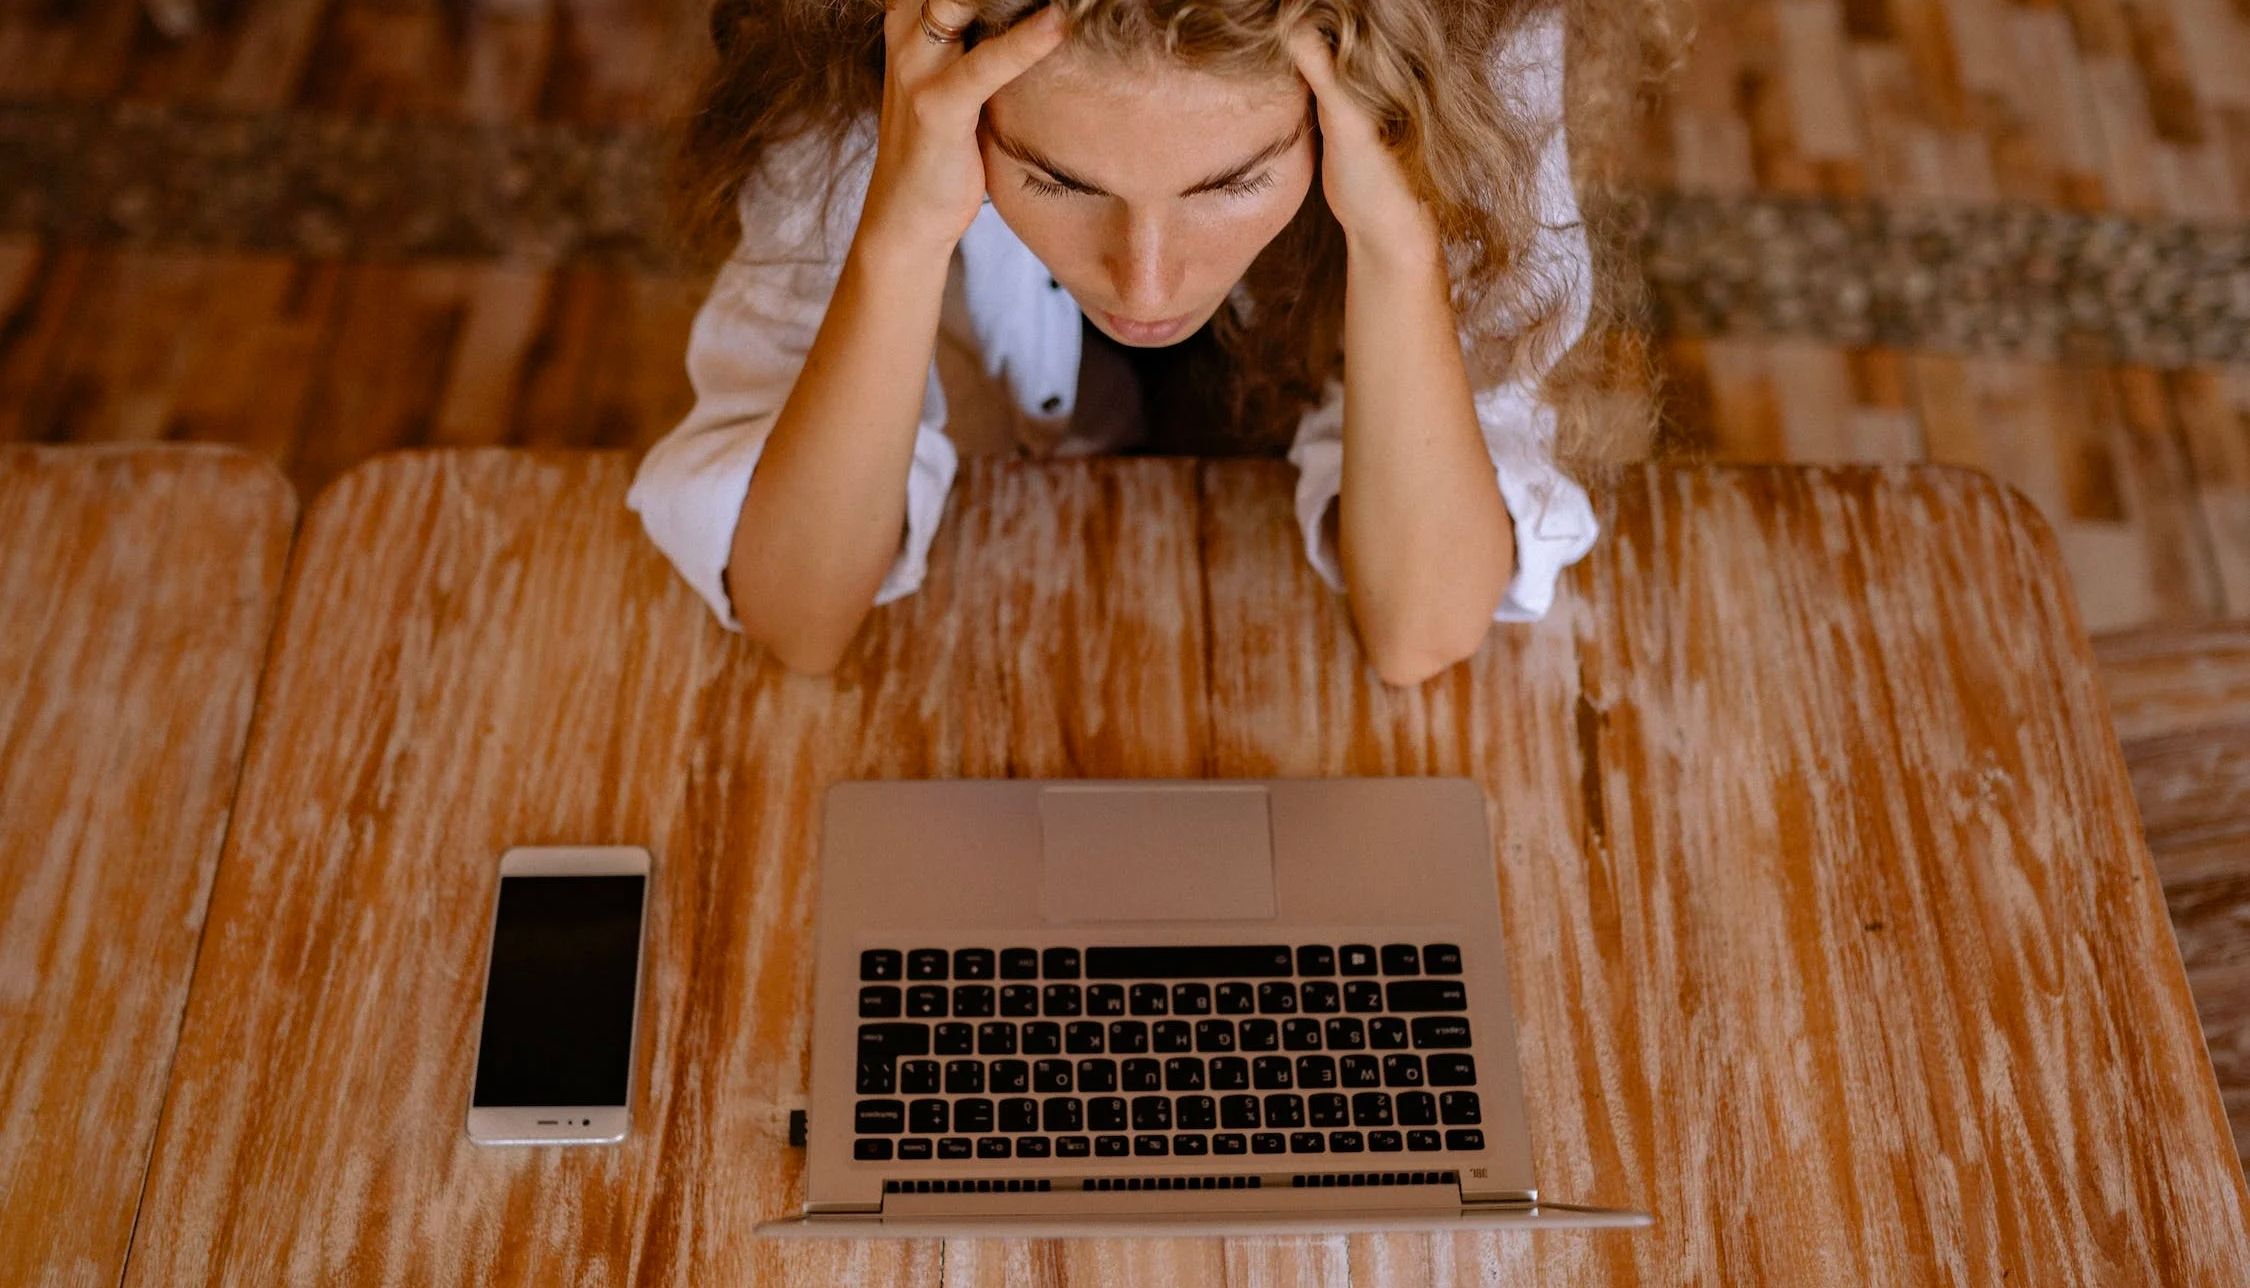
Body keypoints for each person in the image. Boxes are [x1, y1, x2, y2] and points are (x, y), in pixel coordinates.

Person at [631, 0, 1648, 683]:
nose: (1147, 283)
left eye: (1232, 182)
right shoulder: (883, 43)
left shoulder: (1472, 42)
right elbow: (799, 616)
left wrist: (1397, 246)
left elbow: (1422, 628)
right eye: (1058, 180)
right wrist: (898, 237)